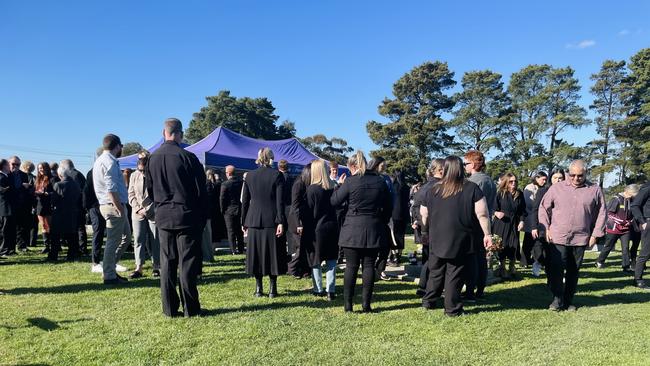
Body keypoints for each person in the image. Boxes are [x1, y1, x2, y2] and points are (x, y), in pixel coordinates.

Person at [146, 118, 207, 317]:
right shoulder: (188, 157)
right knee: (187, 263)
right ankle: (191, 307)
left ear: (164, 133)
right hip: (186, 215)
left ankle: (170, 309)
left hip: (163, 215)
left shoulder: (152, 158)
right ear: (180, 134)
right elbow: (201, 192)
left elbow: (150, 189)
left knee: (167, 263)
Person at [420, 156, 493, 317]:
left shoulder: (434, 189)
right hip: (460, 236)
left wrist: (425, 231)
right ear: (460, 168)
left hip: (437, 235)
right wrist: (487, 234)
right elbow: (482, 214)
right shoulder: (471, 188)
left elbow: (423, 214)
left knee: (436, 270)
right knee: (454, 272)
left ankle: (429, 300)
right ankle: (452, 308)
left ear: (444, 169)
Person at [539, 160, 606, 310]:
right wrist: (546, 228)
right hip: (558, 236)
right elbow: (543, 208)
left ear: (586, 173)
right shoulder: (556, 188)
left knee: (573, 271)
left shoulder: (595, 190)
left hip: (581, 238)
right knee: (555, 269)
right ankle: (557, 299)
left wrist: (595, 234)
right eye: (572, 175)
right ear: (568, 173)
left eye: (580, 175)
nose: (576, 178)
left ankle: (568, 300)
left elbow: (602, 213)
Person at [331, 151, 392, 312]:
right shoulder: (380, 182)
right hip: (373, 226)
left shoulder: (350, 182)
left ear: (353, 166)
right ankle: (366, 304)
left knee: (351, 267)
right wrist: (380, 220)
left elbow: (334, 202)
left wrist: (338, 185)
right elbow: (389, 207)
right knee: (369, 266)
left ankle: (348, 305)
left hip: (352, 228)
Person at [241, 147, 286, 298]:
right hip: (271, 219)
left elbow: (245, 202)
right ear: (271, 158)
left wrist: (243, 221)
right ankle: (273, 289)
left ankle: (258, 289)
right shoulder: (277, 175)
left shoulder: (249, 176)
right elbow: (280, 202)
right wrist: (280, 221)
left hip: (253, 219)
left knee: (256, 255)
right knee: (273, 254)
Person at [93, 134, 132, 285]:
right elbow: (111, 188)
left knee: (126, 237)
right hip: (113, 206)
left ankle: (109, 267)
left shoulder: (100, 160)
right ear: (117, 146)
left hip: (112, 205)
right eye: (121, 146)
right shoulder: (109, 161)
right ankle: (109, 275)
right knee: (113, 241)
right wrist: (119, 208)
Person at [463, 150, 496, 301]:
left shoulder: (474, 181)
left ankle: (470, 291)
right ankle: (480, 290)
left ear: (474, 163)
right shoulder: (489, 180)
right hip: (487, 222)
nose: (464, 166)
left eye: (466, 163)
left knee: (472, 259)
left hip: (475, 223)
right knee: (481, 259)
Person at [305, 160, 339, 300]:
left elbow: (309, 212)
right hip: (332, 226)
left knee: (316, 260)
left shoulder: (311, 189)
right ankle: (331, 290)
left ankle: (318, 289)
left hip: (317, 228)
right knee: (331, 260)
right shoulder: (334, 187)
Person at [413, 158, 444, 297]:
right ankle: (429, 288)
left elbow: (415, 208)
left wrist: (418, 223)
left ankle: (424, 286)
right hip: (436, 228)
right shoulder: (440, 187)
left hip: (425, 228)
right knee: (435, 260)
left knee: (428, 258)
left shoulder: (424, 187)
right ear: (441, 170)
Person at [595, 184, 641, 273]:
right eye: (633, 194)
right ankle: (599, 261)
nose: (633, 196)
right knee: (609, 246)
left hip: (626, 229)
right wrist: (621, 221)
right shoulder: (616, 199)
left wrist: (630, 221)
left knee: (625, 248)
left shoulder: (631, 200)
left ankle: (626, 267)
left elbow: (632, 214)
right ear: (627, 191)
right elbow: (609, 214)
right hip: (614, 228)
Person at [529, 169, 566, 277]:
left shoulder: (567, 192)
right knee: (541, 247)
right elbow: (535, 209)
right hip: (544, 224)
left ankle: (553, 272)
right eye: (555, 178)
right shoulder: (543, 191)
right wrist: (534, 226)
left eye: (560, 178)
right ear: (551, 179)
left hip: (560, 226)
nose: (558, 180)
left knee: (555, 251)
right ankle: (538, 262)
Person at [128, 156, 160, 278]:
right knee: (138, 240)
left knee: (155, 240)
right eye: (139, 170)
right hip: (137, 213)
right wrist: (138, 209)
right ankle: (139, 267)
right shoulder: (133, 176)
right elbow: (131, 194)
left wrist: (147, 210)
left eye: (143, 170)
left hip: (153, 212)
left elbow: (158, 195)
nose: (142, 172)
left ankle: (156, 266)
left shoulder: (155, 175)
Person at [492, 172, 526, 279]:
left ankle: (512, 268)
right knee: (502, 246)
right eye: (511, 181)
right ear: (506, 182)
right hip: (501, 224)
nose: (514, 183)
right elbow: (493, 208)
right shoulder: (500, 193)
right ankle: (501, 268)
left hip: (514, 224)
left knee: (513, 245)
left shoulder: (519, 194)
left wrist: (522, 221)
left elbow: (522, 211)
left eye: (515, 181)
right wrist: (497, 213)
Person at [367, 156, 394, 281]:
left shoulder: (387, 178)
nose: (384, 168)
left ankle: (380, 268)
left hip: (384, 217)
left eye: (385, 166)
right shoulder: (368, 178)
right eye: (382, 166)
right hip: (371, 216)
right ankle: (370, 269)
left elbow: (392, 197)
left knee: (385, 245)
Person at [49, 164, 81, 261]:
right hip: (72, 212)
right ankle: (71, 255)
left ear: (60, 175)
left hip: (59, 213)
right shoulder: (76, 184)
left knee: (55, 235)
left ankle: (53, 255)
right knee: (71, 235)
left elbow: (54, 200)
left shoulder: (58, 185)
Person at [287, 164, 312, 279]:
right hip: (297, 220)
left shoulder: (304, 183)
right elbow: (295, 206)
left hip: (304, 219)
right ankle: (292, 268)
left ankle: (305, 270)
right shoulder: (298, 184)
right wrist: (298, 224)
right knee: (300, 247)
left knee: (305, 247)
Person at [60, 159, 88, 255]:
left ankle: (82, 248)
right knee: (77, 228)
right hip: (77, 206)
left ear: (65, 167)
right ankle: (78, 247)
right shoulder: (78, 174)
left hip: (77, 206)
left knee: (79, 228)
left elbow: (78, 192)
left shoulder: (74, 175)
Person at [522, 172, 548, 270]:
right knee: (528, 240)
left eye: (545, 179)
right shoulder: (530, 187)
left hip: (538, 217)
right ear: (536, 178)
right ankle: (524, 260)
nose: (544, 181)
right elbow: (529, 203)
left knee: (537, 240)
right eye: (542, 179)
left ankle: (536, 258)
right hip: (530, 217)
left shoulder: (544, 188)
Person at [84, 165, 107, 273]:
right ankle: (95, 262)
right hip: (95, 206)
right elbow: (88, 190)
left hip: (99, 204)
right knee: (98, 232)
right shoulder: (93, 172)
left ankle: (102, 260)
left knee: (101, 232)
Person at [9, 156, 34, 253]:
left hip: (23, 204)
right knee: (10, 227)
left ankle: (22, 246)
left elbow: (27, 190)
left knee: (22, 227)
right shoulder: (6, 175)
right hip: (10, 205)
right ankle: (10, 248)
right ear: (9, 163)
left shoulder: (23, 175)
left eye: (18, 164)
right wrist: (21, 186)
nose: (15, 166)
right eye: (13, 164)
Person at [220, 165, 245, 255]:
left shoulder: (225, 184)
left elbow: (222, 198)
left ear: (229, 173)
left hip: (228, 210)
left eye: (226, 172)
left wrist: (222, 210)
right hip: (239, 208)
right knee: (239, 230)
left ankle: (233, 250)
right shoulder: (241, 183)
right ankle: (241, 248)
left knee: (231, 231)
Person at [631, 181, 650, 289]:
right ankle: (638, 279)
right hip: (648, 222)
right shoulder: (647, 188)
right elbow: (635, 205)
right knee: (645, 253)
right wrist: (642, 221)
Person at [389, 170, 410, 266]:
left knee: (393, 235)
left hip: (394, 214)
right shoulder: (406, 187)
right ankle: (400, 254)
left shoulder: (393, 186)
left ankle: (394, 255)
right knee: (401, 235)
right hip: (404, 214)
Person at [34, 162, 54, 254]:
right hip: (39, 204)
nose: (40, 170)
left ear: (46, 168)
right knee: (43, 225)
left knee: (48, 226)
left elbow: (55, 192)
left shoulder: (52, 179)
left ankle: (52, 245)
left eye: (42, 168)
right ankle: (46, 246)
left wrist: (48, 194)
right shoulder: (38, 179)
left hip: (48, 205)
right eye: (39, 168)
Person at [278, 160, 294, 257]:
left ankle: (281, 254)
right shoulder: (292, 178)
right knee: (289, 233)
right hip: (290, 207)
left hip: (279, 207)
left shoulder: (277, 178)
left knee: (280, 232)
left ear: (279, 167)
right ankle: (290, 253)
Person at [0, 159, 16, 257]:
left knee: (9, 229)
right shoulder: (1, 177)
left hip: (8, 208)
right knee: (4, 230)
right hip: (4, 208)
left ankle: (9, 249)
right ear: (4, 166)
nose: (10, 166)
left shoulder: (6, 176)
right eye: (8, 165)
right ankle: (3, 250)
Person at [21, 161, 39, 248]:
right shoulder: (35, 178)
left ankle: (25, 241)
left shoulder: (20, 177)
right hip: (33, 203)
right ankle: (32, 241)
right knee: (34, 224)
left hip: (23, 203)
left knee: (24, 224)